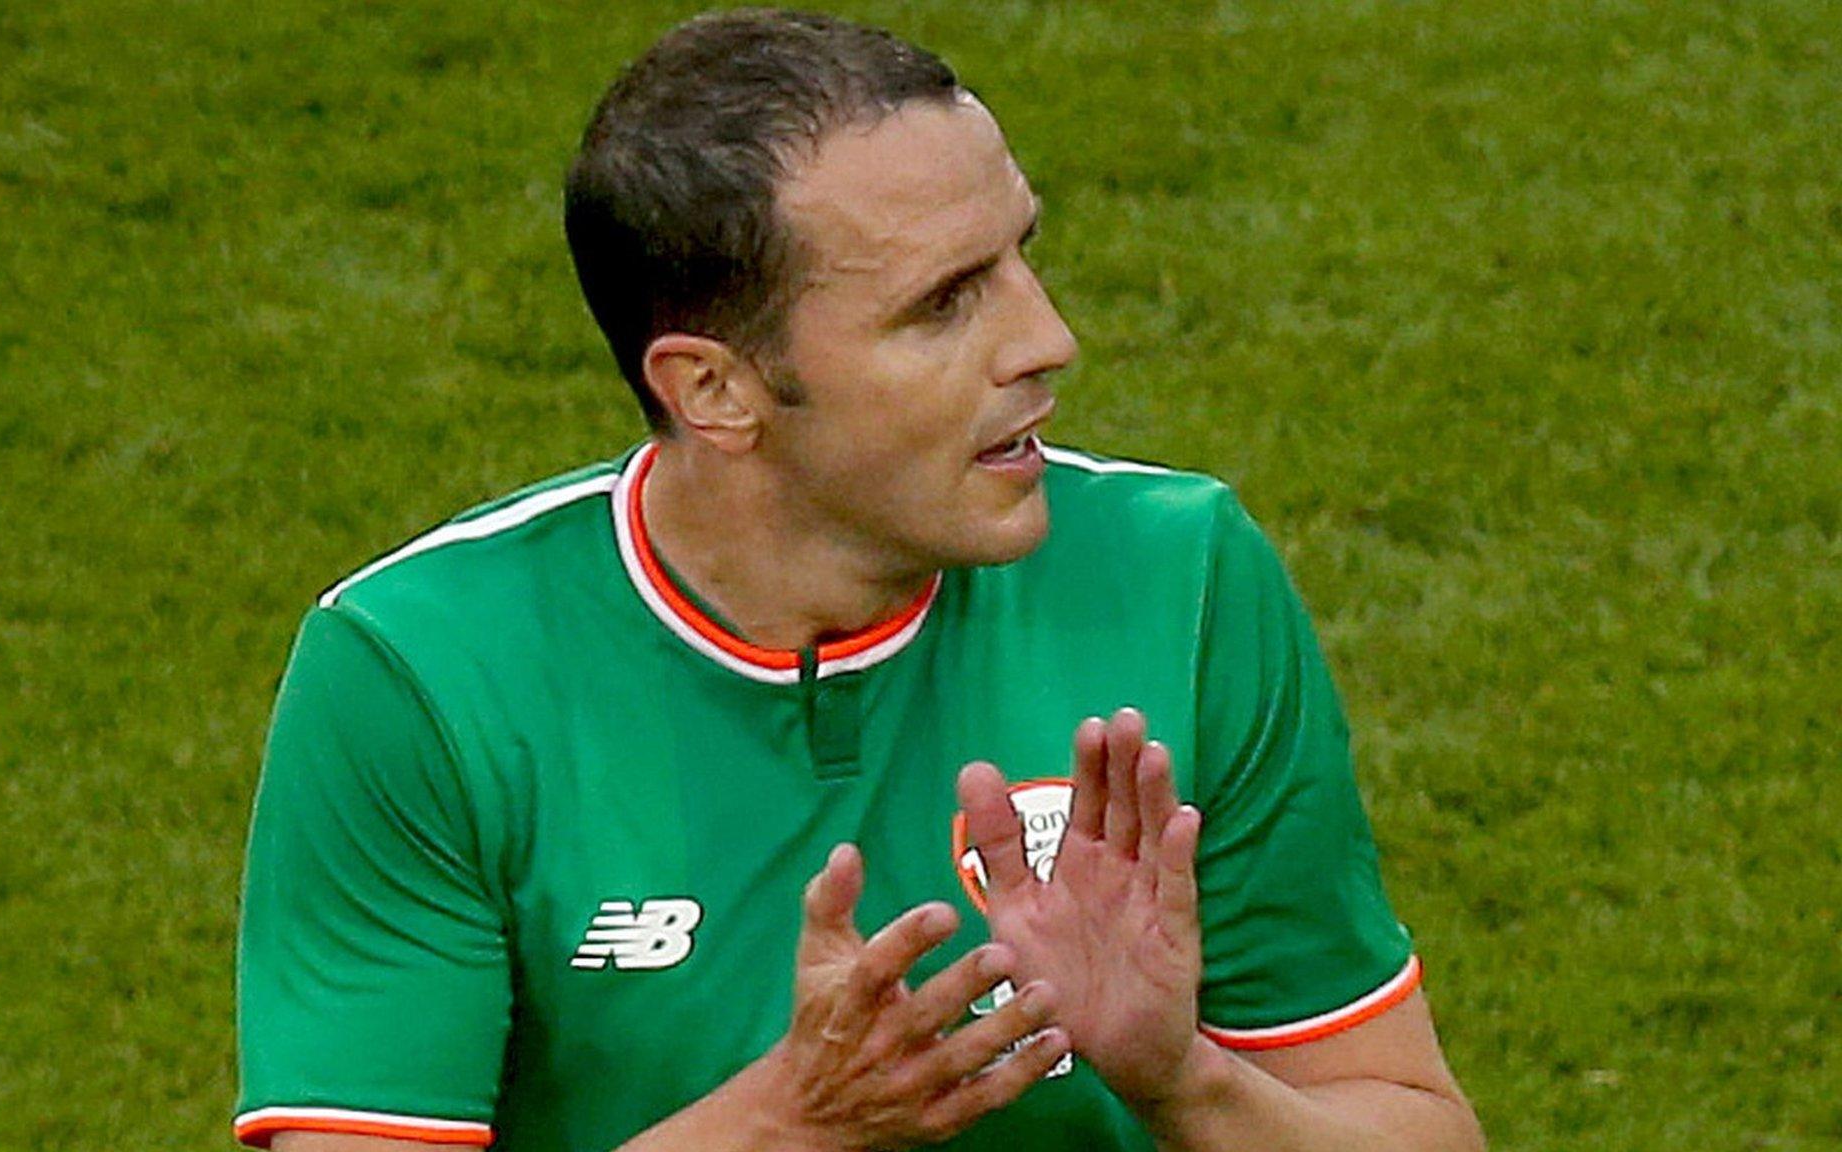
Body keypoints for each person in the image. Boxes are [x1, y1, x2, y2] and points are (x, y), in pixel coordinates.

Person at [234, 9, 1484, 1152]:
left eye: (1018, 255)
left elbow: (1412, 1128)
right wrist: (786, 1123)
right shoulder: (424, 673)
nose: (1046, 339)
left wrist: (1183, 1080)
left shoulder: (1176, 576)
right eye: (945, 303)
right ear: (714, 390)